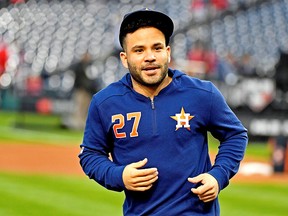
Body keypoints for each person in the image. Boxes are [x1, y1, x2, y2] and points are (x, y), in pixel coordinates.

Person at [79, 8, 248, 215]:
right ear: (124, 58)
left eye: (157, 48)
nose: (150, 57)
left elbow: (235, 135)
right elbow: (90, 154)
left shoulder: (202, 93)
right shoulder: (105, 102)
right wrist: (118, 175)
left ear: (167, 52)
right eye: (139, 50)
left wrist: (218, 175)